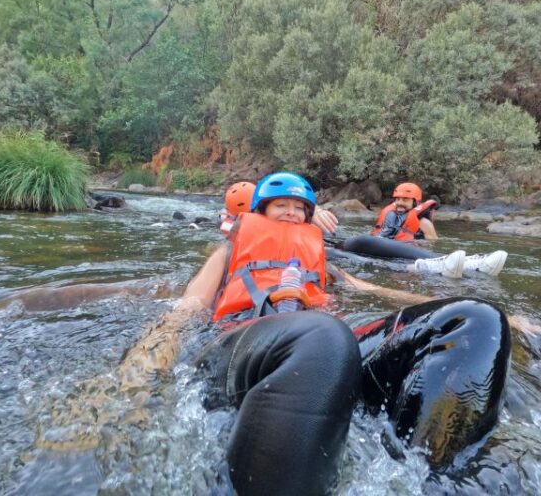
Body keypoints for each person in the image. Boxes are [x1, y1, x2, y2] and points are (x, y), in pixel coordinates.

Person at [119, 172, 511, 496]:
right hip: (245, 348)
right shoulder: (229, 251)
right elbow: (188, 308)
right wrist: (140, 370)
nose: (291, 215)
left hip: (322, 352)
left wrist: (498, 313)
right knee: (324, 339)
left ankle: (422, 480)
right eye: (281, 207)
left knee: (475, 322)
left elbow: (370, 292)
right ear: (261, 212)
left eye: (299, 209)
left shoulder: (316, 256)